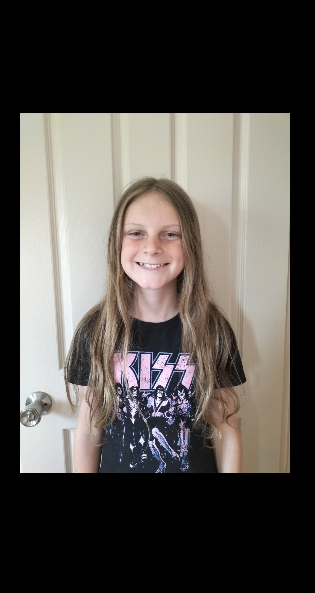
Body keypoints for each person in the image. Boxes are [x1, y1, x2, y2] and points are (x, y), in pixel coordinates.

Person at [64, 176, 246, 473]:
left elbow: (225, 429)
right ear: (117, 243)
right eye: (136, 233)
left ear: (190, 244)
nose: (152, 247)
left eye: (170, 234)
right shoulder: (96, 331)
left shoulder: (212, 329)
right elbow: (87, 429)